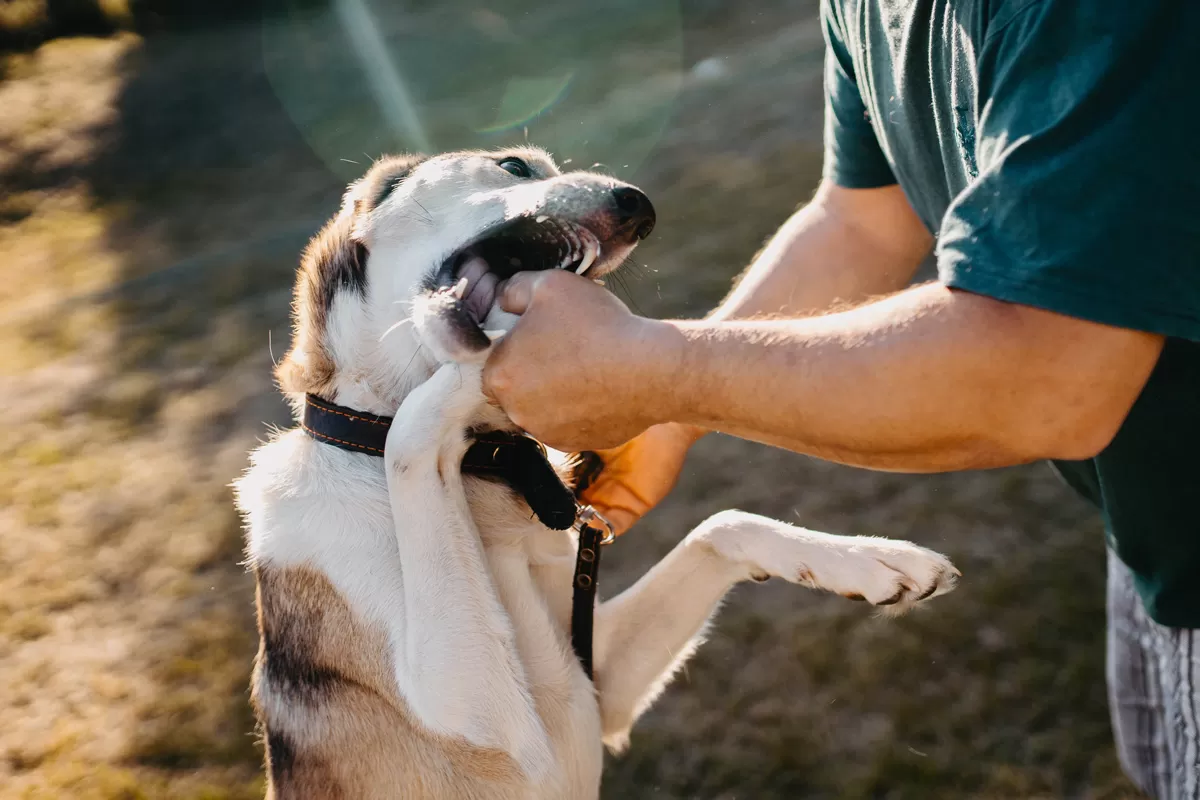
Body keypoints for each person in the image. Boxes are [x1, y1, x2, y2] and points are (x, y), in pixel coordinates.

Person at [482, 2, 1200, 796]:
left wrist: (660, 373)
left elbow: (1046, 370)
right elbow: (861, 220)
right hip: (1152, 525)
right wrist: (667, 415)